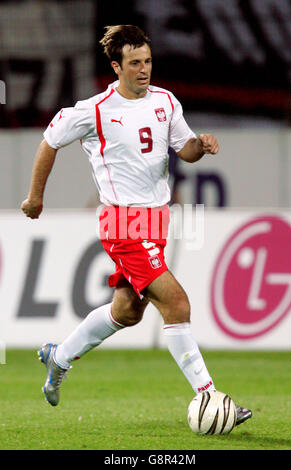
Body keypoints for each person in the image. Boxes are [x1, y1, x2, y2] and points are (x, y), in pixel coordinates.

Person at [21, 25, 252, 426]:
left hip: (156, 223)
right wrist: (35, 196)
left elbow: (186, 149)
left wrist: (203, 144)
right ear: (116, 67)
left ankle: (57, 358)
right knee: (176, 303)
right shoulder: (94, 109)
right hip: (123, 225)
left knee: (127, 311)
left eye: (147, 61)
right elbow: (49, 141)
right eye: (134, 63)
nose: (144, 70)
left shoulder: (164, 101)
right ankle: (211, 397)